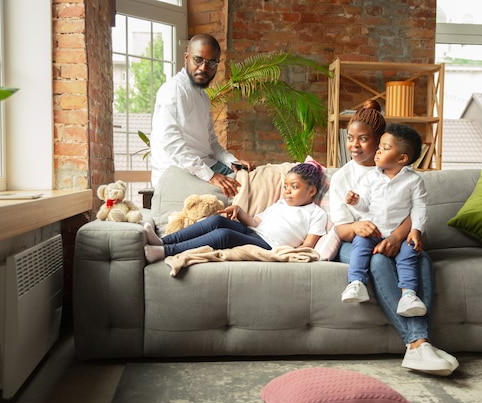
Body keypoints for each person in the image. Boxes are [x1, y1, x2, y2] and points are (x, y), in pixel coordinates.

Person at [329, 99, 459, 376]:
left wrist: (399, 236)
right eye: (350, 139)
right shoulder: (343, 177)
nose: (354, 145)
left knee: (420, 259)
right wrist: (358, 227)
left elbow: (414, 210)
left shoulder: (403, 175)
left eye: (363, 140)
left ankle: (420, 345)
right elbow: (341, 229)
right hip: (356, 243)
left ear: (380, 142)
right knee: (377, 263)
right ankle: (416, 343)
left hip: (393, 236)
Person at [143, 162, 327, 263]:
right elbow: (255, 222)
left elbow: (309, 246)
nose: (286, 191)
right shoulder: (280, 203)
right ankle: (162, 240)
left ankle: (165, 251)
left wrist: (286, 254)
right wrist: (239, 212)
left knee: (224, 235)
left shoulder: (316, 213)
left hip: (269, 245)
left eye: (294, 187)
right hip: (254, 233)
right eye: (285, 186)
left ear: (311, 191)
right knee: (217, 221)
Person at [149, 33, 253, 197]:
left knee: (253, 179)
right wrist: (211, 176)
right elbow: (170, 142)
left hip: (204, 166)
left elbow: (211, 142)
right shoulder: (174, 90)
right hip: (178, 174)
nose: (204, 68)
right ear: (186, 57)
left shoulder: (202, 95)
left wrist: (232, 162)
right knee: (248, 190)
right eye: (198, 60)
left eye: (211, 63)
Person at [342, 123, 428, 320]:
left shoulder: (413, 181)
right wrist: (356, 202)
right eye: (379, 147)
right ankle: (356, 283)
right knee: (360, 246)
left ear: (402, 158)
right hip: (374, 231)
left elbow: (419, 207)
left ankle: (408, 295)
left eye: (385, 148)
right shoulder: (371, 177)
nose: (378, 152)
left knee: (409, 255)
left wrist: (416, 230)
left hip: (402, 233)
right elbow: (365, 205)